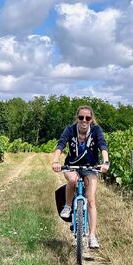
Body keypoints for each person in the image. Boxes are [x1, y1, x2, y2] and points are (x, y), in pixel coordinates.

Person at [51, 105, 109, 249]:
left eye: (87, 118)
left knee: (91, 200)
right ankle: (68, 205)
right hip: (72, 166)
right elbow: (61, 145)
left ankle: (92, 236)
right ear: (77, 118)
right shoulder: (70, 130)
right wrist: (55, 161)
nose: (84, 120)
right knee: (72, 180)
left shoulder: (96, 130)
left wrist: (105, 162)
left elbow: (103, 146)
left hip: (91, 167)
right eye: (81, 117)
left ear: (91, 119)